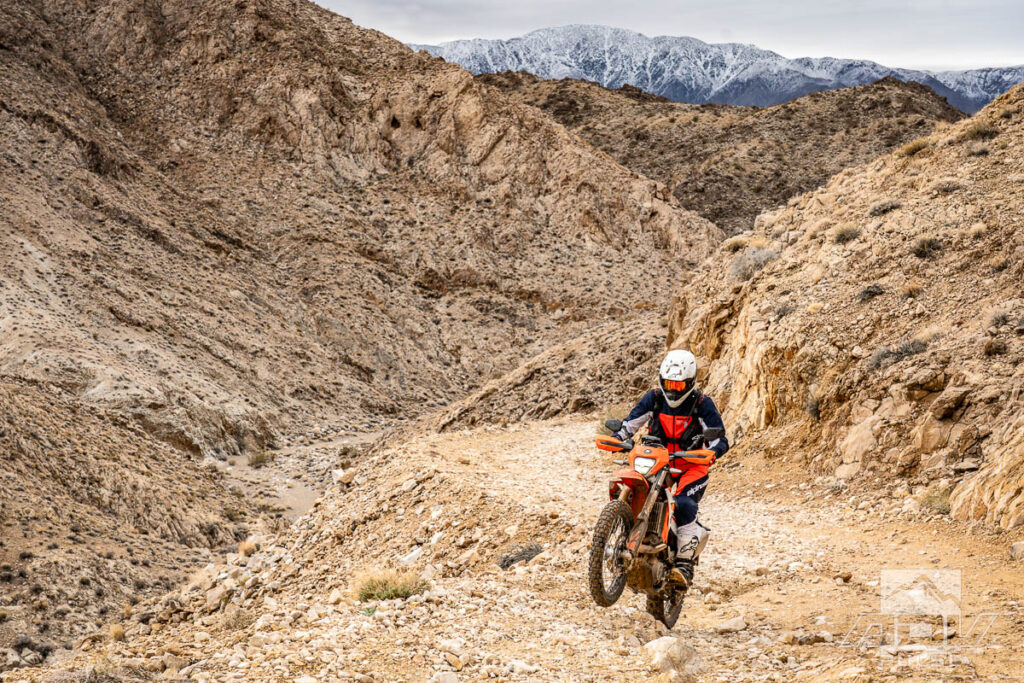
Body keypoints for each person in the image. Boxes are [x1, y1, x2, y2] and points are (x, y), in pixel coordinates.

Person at [613, 349, 729, 587]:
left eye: (679, 385)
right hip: (658, 460)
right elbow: (630, 424)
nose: (673, 389)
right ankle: (621, 536)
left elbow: (721, 440)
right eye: (669, 384)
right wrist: (619, 437)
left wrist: (712, 452)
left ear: (690, 383)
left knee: (685, 504)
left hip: (691, 464)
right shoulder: (654, 398)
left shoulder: (702, 404)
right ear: (661, 380)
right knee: (635, 487)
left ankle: (684, 565)